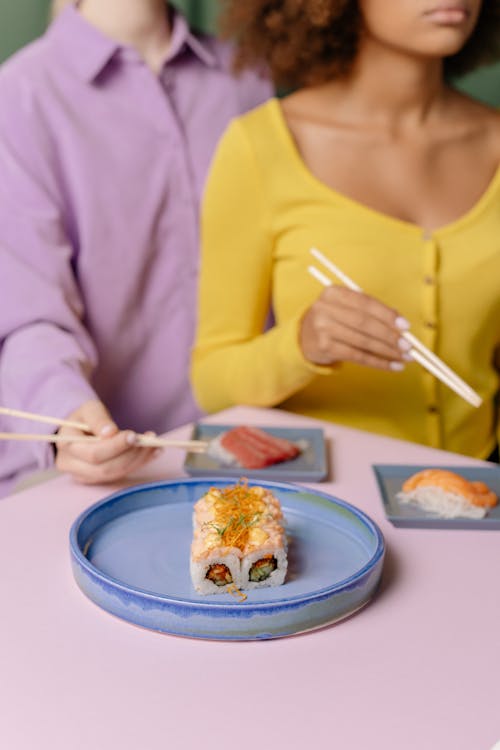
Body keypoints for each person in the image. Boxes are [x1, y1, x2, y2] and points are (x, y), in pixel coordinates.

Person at [191, 0, 500, 460]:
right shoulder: (261, 148)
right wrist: (303, 344)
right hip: (330, 506)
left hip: (480, 504)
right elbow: (212, 381)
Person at [0, 0, 271, 496]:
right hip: (91, 476)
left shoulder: (250, 78)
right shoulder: (20, 97)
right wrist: (64, 418)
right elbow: (26, 308)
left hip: (245, 452)